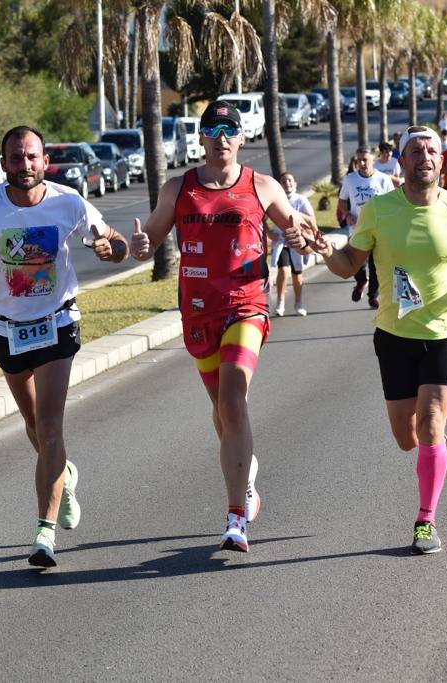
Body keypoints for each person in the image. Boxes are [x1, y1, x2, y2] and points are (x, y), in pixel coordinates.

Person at [0, 125, 130, 568]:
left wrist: (112, 250)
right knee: (34, 426)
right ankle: (64, 475)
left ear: (45, 162)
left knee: (50, 427)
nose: (25, 165)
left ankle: (43, 535)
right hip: (6, 329)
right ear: (3, 164)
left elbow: (118, 245)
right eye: (16, 158)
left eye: (32, 157)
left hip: (57, 323)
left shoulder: (70, 202)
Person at [288, 125, 447, 555]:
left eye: (431, 150)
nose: (424, 155)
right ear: (401, 162)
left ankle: (426, 520)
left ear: (441, 161)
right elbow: (350, 264)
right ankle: (434, 447)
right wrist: (323, 249)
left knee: (430, 423)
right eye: (415, 150)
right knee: (407, 438)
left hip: (446, 332)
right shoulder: (380, 211)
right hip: (393, 334)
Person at [129, 101, 317, 553]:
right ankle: (247, 482)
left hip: (246, 306)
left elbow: (306, 234)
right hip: (197, 313)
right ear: (201, 137)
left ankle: (236, 519)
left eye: (230, 129)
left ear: (241, 137)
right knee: (221, 411)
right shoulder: (179, 189)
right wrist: (136, 246)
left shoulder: (262, 186)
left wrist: (299, 237)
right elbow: (148, 240)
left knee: (233, 399)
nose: (221, 137)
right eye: (212, 129)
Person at [340, 146, 395, 309]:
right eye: (359, 160)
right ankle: (361, 280)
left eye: (365, 159)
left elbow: (392, 201)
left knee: (375, 264)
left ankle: (373, 295)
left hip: (379, 229)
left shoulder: (384, 179)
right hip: (357, 228)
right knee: (355, 263)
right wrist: (347, 214)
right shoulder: (350, 179)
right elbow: (342, 201)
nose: (362, 163)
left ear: (373, 160)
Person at [270, 172, 315, 316]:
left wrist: (294, 214)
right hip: (282, 241)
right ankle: (280, 302)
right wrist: (270, 234)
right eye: (283, 181)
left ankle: (298, 302)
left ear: (295, 184)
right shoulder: (276, 200)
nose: (287, 183)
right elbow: (262, 217)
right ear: (280, 185)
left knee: (297, 273)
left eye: (290, 181)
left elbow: (311, 219)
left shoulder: (301, 200)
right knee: (283, 270)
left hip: (298, 241)